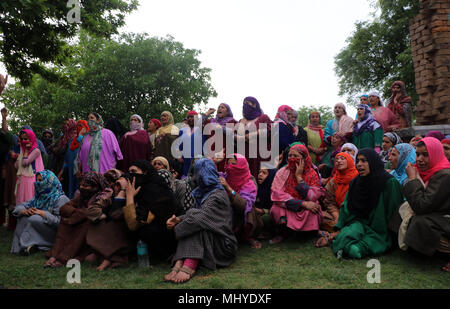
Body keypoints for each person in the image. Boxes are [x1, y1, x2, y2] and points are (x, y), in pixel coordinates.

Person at [163, 158, 238, 284]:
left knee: (196, 224)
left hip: (224, 246)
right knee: (193, 220)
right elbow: (195, 214)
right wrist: (178, 219)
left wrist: (177, 228)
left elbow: (200, 218)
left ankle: (189, 263)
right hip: (211, 239)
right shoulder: (202, 192)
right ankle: (181, 260)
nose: (195, 177)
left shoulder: (218, 195)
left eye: (197, 173)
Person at [325, 149, 404, 259]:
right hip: (359, 223)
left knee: (357, 248)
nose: (359, 165)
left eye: (364, 161)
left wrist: (393, 235)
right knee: (347, 234)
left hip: (380, 229)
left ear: (373, 162)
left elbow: (394, 211)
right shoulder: (356, 182)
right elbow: (347, 206)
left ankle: (351, 247)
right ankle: (346, 245)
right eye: (357, 161)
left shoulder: (389, 183)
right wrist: (340, 226)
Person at [393, 138, 450, 271]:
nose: (419, 159)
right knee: (403, 210)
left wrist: (412, 180)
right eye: (417, 154)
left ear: (435, 154)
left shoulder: (444, 175)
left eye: (425, 154)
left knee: (420, 222)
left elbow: (421, 206)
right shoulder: (429, 171)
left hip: (445, 219)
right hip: (437, 215)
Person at [44, 171, 111, 267]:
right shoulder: (81, 197)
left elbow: (91, 213)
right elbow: (64, 209)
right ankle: (55, 255)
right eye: (81, 185)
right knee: (64, 223)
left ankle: (63, 259)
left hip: (94, 230)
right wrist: (79, 213)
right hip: (77, 222)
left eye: (86, 186)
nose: (82, 188)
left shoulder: (102, 197)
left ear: (95, 187)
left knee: (82, 226)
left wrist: (76, 215)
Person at [122, 160, 182, 260]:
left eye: (133, 171)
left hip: (169, 237)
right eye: (129, 172)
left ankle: (166, 255)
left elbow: (133, 225)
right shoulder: (141, 190)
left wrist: (129, 197)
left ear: (145, 172)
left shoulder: (155, 191)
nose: (130, 175)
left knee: (145, 230)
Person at [270, 144, 324, 244]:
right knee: (276, 209)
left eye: (295, 156)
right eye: (290, 156)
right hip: (290, 204)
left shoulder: (312, 173)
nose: (292, 158)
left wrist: (299, 177)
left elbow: (312, 197)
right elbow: (276, 195)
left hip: (307, 206)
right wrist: (301, 204)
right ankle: (283, 233)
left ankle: (310, 232)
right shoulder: (282, 172)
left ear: (304, 158)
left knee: (314, 208)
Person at [83, 170, 133, 271]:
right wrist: (104, 215)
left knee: (117, 223)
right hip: (107, 238)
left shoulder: (132, 197)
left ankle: (111, 258)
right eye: (116, 184)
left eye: (119, 185)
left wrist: (122, 194)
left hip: (126, 237)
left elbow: (117, 215)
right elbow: (91, 211)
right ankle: (105, 256)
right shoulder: (109, 194)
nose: (116, 187)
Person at [11, 170, 70, 255]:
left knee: (34, 218)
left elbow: (62, 222)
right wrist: (24, 211)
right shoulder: (40, 197)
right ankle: (19, 247)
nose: (37, 183)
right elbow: (21, 206)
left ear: (49, 182)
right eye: (37, 180)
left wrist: (44, 214)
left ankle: (37, 244)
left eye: (40, 181)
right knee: (23, 216)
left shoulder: (60, 198)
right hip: (44, 228)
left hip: (56, 234)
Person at [219, 154, 261, 249]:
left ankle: (248, 236)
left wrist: (229, 189)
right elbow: (204, 172)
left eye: (233, 164)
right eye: (227, 163)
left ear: (241, 166)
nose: (229, 167)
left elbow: (244, 205)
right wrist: (214, 161)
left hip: (241, 214)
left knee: (249, 210)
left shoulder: (249, 183)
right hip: (226, 212)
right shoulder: (223, 177)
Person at [317, 152, 358, 240]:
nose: (339, 161)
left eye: (342, 159)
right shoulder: (333, 181)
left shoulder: (358, 179)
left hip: (353, 215)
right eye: (336, 159)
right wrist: (337, 216)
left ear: (350, 161)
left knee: (354, 224)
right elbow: (330, 202)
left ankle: (339, 230)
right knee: (318, 216)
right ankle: (339, 229)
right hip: (337, 213)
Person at [235, 96, 273, 177]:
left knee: (260, 178)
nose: (245, 105)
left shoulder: (263, 117)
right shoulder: (241, 121)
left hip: (260, 156)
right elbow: (235, 136)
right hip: (244, 155)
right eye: (244, 103)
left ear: (254, 105)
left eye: (247, 103)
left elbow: (269, 131)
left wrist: (252, 135)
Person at [15, 129, 45, 223]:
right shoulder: (22, 150)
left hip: (31, 179)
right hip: (23, 178)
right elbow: (16, 166)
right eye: (22, 139)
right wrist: (22, 152)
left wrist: (26, 151)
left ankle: (31, 224)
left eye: (26, 139)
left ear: (31, 138)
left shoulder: (36, 151)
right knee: (22, 201)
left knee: (30, 202)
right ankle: (21, 223)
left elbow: (25, 163)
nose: (24, 141)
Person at [59, 120, 89, 199]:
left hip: (82, 170)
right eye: (78, 126)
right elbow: (67, 158)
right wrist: (61, 172)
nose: (78, 128)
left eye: (81, 126)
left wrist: (80, 135)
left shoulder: (88, 140)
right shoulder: (71, 142)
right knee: (71, 189)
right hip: (71, 171)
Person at [205, 103, 238, 173]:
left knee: (223, 175)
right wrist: (208, 113)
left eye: (222, 107)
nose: (219, 108)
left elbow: (236, 136)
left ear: (227, 112)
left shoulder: (232, 121)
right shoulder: (211, 121)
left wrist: (222, 128)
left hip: (224, 154)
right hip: (210, 154)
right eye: (219, 107)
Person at [176, 111, 207, 177]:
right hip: (186, 159)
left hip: (198, 158)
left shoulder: (201, 129)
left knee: (198, 177)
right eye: (188, 117)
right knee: (186, 177)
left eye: (192, 117)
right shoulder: (182, 131)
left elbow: (204, 144)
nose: (189, 119)